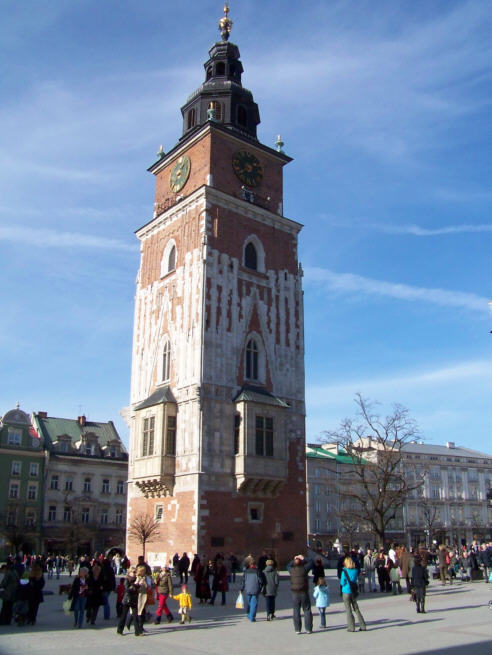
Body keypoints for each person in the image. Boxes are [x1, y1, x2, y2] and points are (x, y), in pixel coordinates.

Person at [287, 554, 313, 634]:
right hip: (304, 592)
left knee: (296, 610)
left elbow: (288, 565)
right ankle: (308, 629)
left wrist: (294, 559)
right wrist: (303, 558)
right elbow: (311, 562)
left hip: (295, 593)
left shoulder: (291, 570)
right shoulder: (304, 569)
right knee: (307, 610)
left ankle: (297, 629)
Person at [340, 556, 366, 633]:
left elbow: (342, 583)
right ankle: (363, 625)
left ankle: (351, 627)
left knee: (348, 610)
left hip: (346, 592)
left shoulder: (344, 571)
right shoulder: (355, 571)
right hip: (353, 591)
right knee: (356, 609)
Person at [116, 567, 143, 636]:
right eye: (133, 572)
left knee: (135, 616)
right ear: (129, 572)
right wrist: (135, 584)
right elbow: (127, 589)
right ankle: (119, 630)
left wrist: (139, 585)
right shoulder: (127, 579)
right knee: (124, 615)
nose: (134, 573)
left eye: (135, 572)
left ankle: (137, 632)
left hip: (134, 599)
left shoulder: (136, 579)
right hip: (127, 599)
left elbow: (138, 589)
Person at [241, 557, 262, 622]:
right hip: (255, 589)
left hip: (248, 589)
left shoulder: (246, 571)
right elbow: (260, 581)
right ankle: (252, 616)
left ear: (249, 564)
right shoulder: (257, 571)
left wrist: (242, 589)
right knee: (254, 603)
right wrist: (260, 588)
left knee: (249, 602)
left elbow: (243, 581)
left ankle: (249, 614)